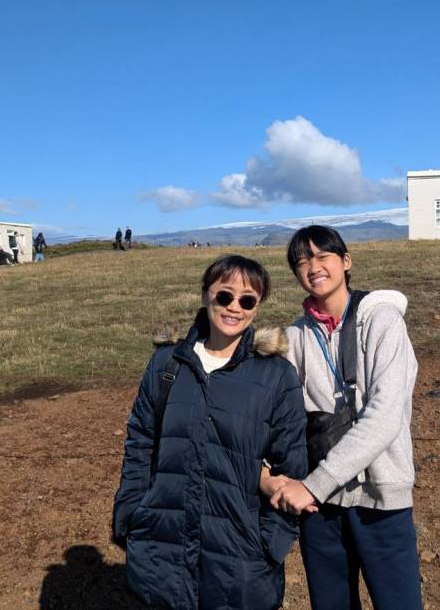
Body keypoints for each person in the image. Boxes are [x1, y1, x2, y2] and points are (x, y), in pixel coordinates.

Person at [113, 255, 307, 610]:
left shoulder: (276, 375)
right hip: (163, 546)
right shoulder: (167, 364)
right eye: (225, 295)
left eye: (247, 300)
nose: (234, 307)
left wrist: (270, 544)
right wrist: (130, 515)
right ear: (206, 294)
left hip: (240, 557)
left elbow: (291, 464)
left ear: (257, 307)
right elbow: (140, 442)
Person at [265, 225, 422, 610]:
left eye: (323, 256)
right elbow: (273, 414)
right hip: (321, 508)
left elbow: (385, 416)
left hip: (380, 497)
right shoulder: (295, 337)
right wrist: (266, 476)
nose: (313, 267)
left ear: (346, 261)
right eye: (302, 261)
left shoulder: (383, 321)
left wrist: (313, 486)